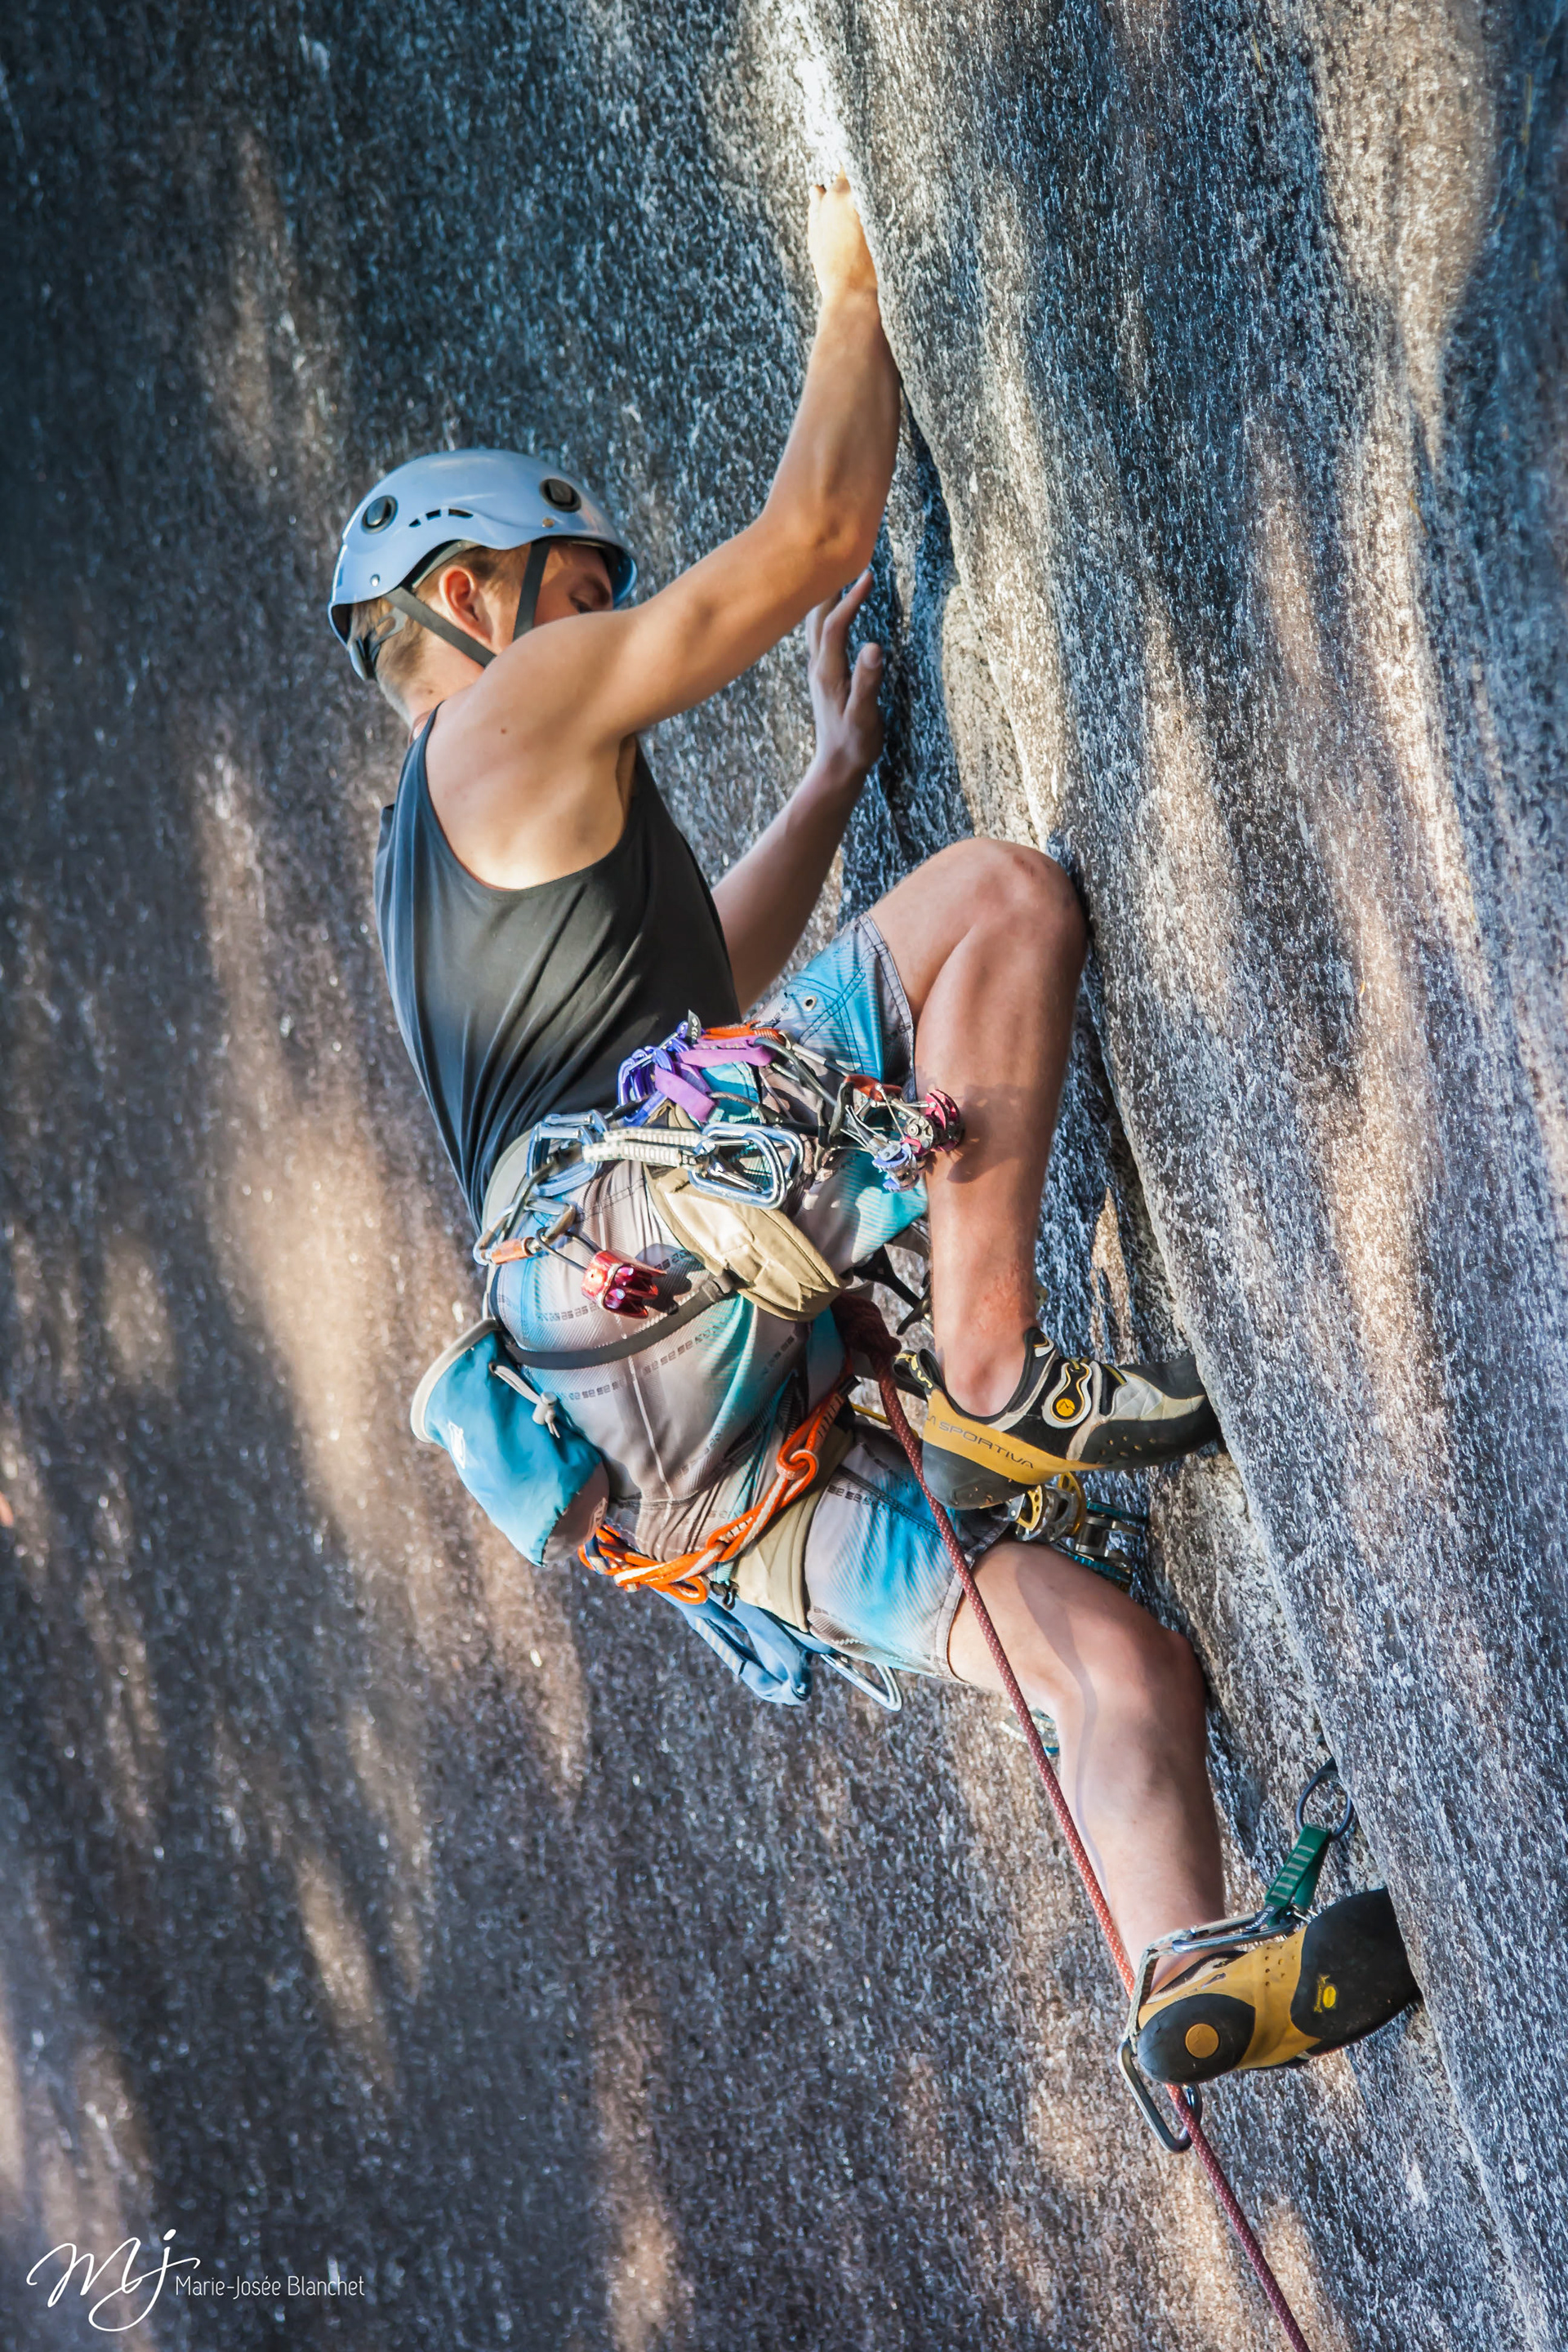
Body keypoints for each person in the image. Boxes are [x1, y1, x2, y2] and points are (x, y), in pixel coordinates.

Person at [327, 176, 1415, 2087]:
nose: (602, 628)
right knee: (998, 903)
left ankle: (1185, 1964)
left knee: (1102, 1660)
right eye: (574, 592)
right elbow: (812, 536)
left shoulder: (441, 876)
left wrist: (832, 783)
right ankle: (990, 1375)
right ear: (470, 598)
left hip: (652, 1432)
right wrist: (854, 274)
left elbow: (701, 1008)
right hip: (653, 1258)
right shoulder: (495, 716)